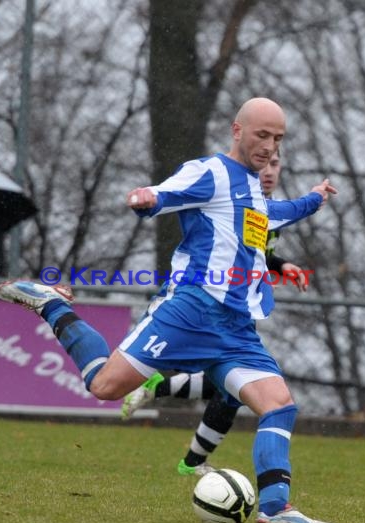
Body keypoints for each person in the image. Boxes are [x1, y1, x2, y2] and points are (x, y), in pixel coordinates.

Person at [0, 97, 337, 523]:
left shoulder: (254, 188)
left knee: (279, 405)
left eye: (278, 139)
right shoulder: (211, 171)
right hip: (190, 311)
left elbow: (276, 215)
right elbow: (169, 192)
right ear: (237, 130)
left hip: (236, 329)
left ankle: (275, 508)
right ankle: (52, 304)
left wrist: (313, 198)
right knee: (104, 385)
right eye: (262, 135)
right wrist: (147, 198)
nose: (270, 147)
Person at [121, 150, 309, 477]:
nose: (268, 170)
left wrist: (281, 265)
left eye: (275, 164)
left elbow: (259, 254)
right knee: (232, 388)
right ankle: (188, 454)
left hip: (237, 316)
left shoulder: (268, 211)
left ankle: (187, 452)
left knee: (232, 389)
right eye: (263, 161)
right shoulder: (229, 195)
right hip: (205, 305)